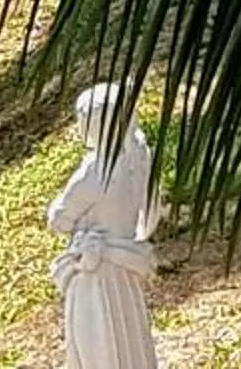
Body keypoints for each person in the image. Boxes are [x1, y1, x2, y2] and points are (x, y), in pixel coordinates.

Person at [46, 82, 160, 369]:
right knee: (128, 333)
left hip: (96, 273)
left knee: (99, 342)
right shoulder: (138, 156)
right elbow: (150, 212)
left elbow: (58, 219)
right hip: (125, 268)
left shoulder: (95, 171)